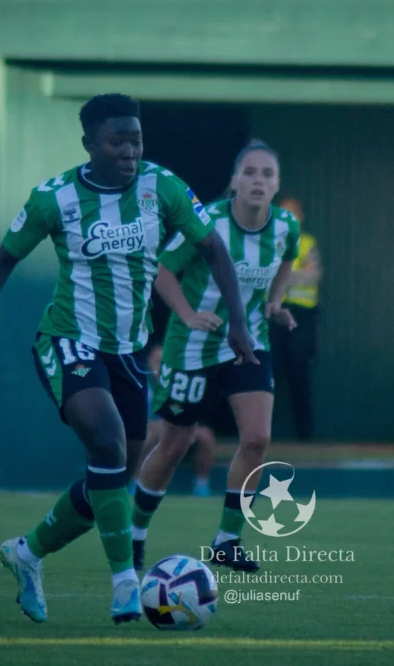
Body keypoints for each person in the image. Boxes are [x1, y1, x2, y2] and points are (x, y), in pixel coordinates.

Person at [0, 93, 257, 625]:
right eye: (117, 142)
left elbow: (214, 250)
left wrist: (239, 323)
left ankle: (27, 553)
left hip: (128, 353)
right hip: (68, 340)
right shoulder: (54, 198)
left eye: (136, 140)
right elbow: (1, 263)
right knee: (108, 442)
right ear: (89, 144)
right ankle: (125, 583)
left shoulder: (163, 187)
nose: (130, 151)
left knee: (110, 481)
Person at [129, 139, 299, 574]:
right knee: (174, 445)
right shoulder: (207, 222)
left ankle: (227, 541)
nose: (258, 181)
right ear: (234, 181)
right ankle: (134, 534)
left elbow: (288, 261)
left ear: (277, 184)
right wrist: (188, 314)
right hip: (193, 347)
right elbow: (162, 272)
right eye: (250, 172)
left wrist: (275, 302)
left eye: (267, 174)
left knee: (257, 439)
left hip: (248, 344)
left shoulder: (285, 226)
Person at [134, 342, 216, 497]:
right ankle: (135, 481)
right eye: (157, 362)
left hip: (178, 430)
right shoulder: (140, 383)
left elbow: (193, 416)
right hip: (150, 430)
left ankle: (201, 484)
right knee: (149, 433)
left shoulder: (181, 384)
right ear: (149, 363)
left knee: (205, 435)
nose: (161, 367)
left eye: (165, 362)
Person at [271, 197, 321, 441]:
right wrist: (295, 274)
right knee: (270, 375)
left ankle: (305, 438)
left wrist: (283, 275)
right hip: (273, 316)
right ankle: (260, 435)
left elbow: (313, 276)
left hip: (301, 317)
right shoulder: (268, 243)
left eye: (293, 215)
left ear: (300, 218)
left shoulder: (308, 243)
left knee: (299, 375)